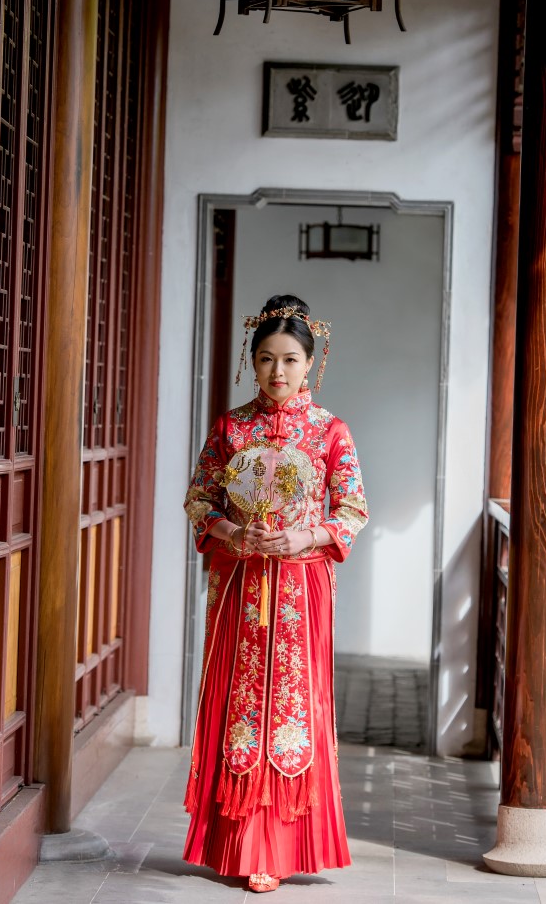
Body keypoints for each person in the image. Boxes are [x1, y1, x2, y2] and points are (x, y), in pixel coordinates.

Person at [182, 294, 368, 894]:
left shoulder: (330, 432)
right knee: (240, 702)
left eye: (290, 359)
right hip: (239, 582)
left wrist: (304, 535)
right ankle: (238, 843)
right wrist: (234, 531)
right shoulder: (231, 428)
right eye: (266, 359)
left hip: (300, 587)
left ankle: (283, 845)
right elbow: (200, 499)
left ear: (312, 361)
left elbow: (354, 509)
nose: (278, 372)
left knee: (293, 704)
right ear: (251, 361)